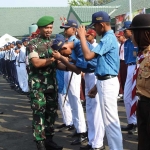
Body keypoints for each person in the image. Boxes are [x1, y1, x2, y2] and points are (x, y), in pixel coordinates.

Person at [76, 11, 123, 150]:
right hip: (104, 81)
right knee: (108, 121)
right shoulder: (108, 37)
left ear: (101, 24)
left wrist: (83, 39)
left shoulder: (108, 38)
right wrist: (97, 86)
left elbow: (88, 56)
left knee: (111, 123)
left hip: (108, 82)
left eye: (95, 26)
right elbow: (105, 65)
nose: (95, 30)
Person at [52, 33, 105, 149]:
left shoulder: (80, 46)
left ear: (65, 47)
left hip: (96, 76)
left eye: (62, 52)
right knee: (90, 112)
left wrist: (61, 59)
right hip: (89, 75)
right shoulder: (75, 47)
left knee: (96, 112)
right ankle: (92, 142)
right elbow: (73, 65)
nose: (64, 55)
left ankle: (98, 144)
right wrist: (62, 61)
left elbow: (76, 70)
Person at [27, 16, 63, 150]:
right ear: (40, 28)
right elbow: (36, 63)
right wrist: (53, 59)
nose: (48, 30)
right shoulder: (33, 44)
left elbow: (58, 63)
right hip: (38, 86)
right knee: (39, 114)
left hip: (51, 85)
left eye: (50, 27)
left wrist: (71, 66)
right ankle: (40, 142)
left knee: (51, 113)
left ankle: (49, 140)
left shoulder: (53, 43)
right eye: (46, 28)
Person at [60, 20, 87, 145]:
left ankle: (82, 131)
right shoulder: (70, 39)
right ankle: (77, 127)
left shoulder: (75, 40)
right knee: (71, 101)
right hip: (67, 69)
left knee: (75, 101)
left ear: (74, 29)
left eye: (67, 28)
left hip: (73, 70)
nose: (65, 30)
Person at [128, 13, 150, 150]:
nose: (131, 36)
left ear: (143, 34)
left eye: (134, 32)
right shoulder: (143, 55)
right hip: (143, 104)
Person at [120, 21, 138, 132]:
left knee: (135, 97)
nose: (123, 33)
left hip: (137, 67)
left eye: (125, 31)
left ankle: (135, 123)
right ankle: (131, 122)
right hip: (129, 67)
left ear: (131, 31)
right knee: (127, 97)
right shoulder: (126, 43)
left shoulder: (137, 42)